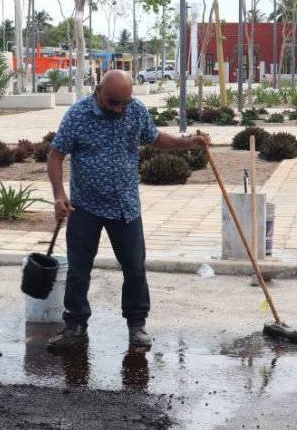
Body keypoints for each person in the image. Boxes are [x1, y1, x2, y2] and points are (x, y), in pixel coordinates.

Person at [46, 70, 209, 351]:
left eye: (124, 103)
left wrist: (188, 143)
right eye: (113, 103)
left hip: (126, 206)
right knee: (78, 269)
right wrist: (59, 195)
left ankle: (137, 325)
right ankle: (75, 327)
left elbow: (155, 138)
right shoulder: (78, 115)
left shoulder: (135, 111)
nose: (120, 109)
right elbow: (56, 154)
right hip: (86, 205)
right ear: (98, 91)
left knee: (134, 268)